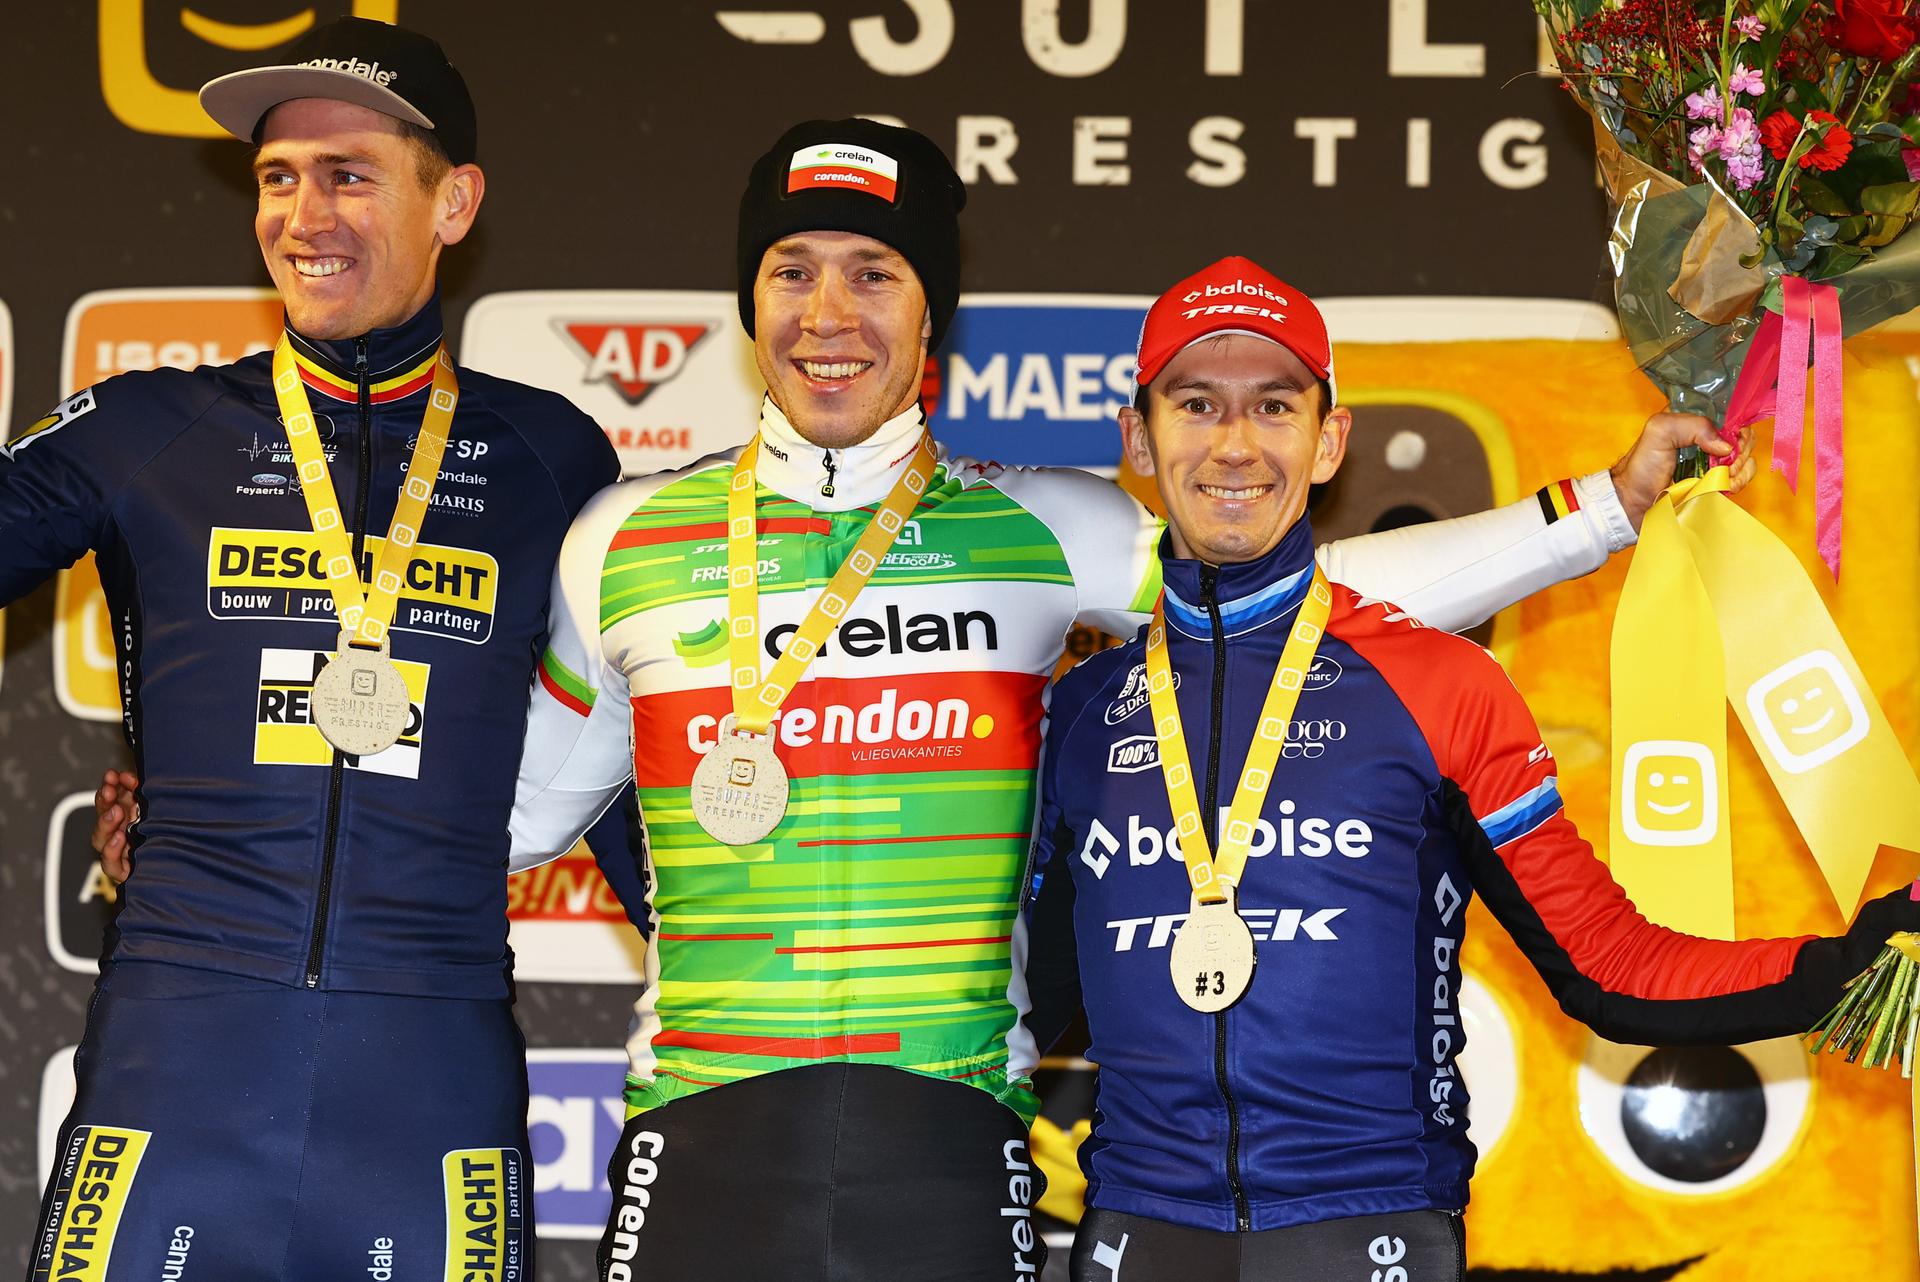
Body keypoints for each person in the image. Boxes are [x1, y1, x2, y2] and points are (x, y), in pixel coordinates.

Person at [503, 120, 1744, 1280]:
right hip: (698, 1134)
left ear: (932, 304)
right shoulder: (620, 540)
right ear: (748, 299)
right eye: (792, 269)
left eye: (874, 271)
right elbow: (513, 821)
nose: (830, 313)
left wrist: (1600, 514)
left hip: (946, 1139)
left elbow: (1301, 598)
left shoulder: (1049, 524)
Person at [1021, 256, 1920, 1280]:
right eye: (1196, 404)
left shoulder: (1439, 684)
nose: (1234, 444)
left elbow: (1611, 967)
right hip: (1135, 1233)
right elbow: (1018, 993)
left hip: (1367, 1231)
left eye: (1275, 406)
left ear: (1329, 440)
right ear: (1139, 438)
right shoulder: (1078, 715)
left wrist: (1860, 960)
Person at [6, 18, 621, 1279]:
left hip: (429, 1069)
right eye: (278, 179)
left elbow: (625, 755)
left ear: (453, 202)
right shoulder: (148, 430)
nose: (304, 214)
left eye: (350, 175)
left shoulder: (554, 461)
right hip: (180, 1054)